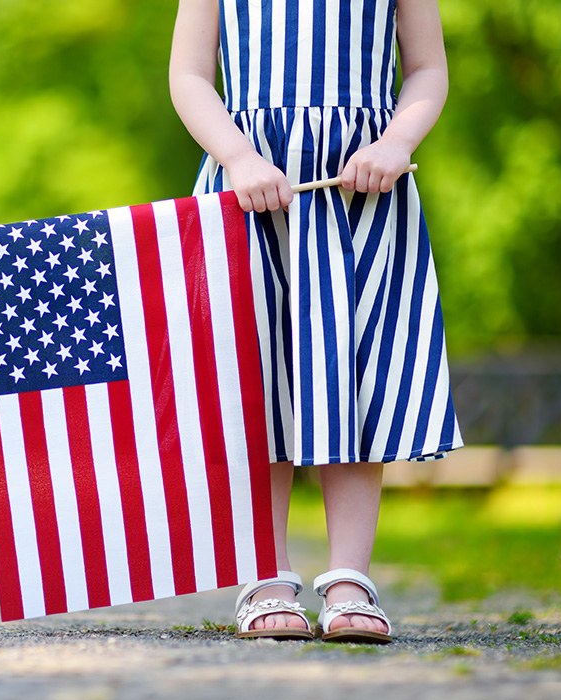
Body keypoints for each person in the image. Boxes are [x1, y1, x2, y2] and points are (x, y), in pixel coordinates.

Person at [169, 0, 462, 643]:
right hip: (249, 183)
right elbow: (189, 76)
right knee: (257, 371)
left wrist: (396, 142)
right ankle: (265, 577)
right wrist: (236, 155)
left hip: (362, 186)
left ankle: (349, 579)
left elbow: (427, 68)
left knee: (351, 368)